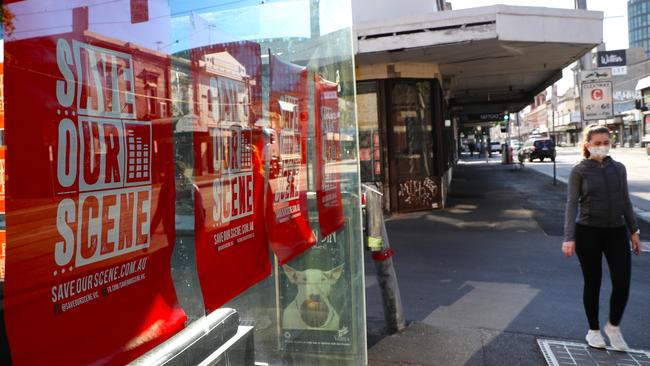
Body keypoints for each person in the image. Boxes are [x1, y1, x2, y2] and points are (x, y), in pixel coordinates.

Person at [562, 124, 641, 351]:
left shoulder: (619, 168)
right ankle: (593, 331)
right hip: (588, 231)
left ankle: (613, 328)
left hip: (616, 230)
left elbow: (625, 201)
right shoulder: (580, 170)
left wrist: (633, 230)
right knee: (593, 281)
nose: (602, 147)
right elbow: (571, 204)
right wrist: (569, 237)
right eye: (597, 143)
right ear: (588, 145)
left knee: (622, 281)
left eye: (606, 142)